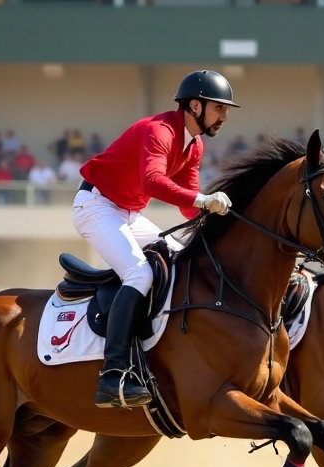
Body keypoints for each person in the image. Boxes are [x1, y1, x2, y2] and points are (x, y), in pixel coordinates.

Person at [74, 70, 238, 409]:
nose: (224, 116)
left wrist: (219, 218)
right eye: (219, 108)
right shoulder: (158, 131)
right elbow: (152, 182)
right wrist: (203, 200)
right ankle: (114, 372)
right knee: (139, 273)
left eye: (226, 110)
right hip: (96, 205)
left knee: (180, 262)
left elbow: (186, 204)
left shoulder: (194, 145)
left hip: (127, 213)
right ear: (195, 105)